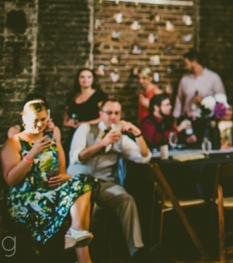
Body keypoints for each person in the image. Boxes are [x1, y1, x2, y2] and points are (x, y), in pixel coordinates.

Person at [1, 100, 98, 263]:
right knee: (82, 204)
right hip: (24, 198)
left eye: (43, 119)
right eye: (35, 120)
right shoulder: (14, 142)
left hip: (51, 193)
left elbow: (62, 175)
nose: (40, 124)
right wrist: (31, 154)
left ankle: (76, 230)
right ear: (24, 119)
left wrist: (66, 178)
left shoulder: (53, 143)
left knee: (85, 181)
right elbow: (10, 180)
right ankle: (82, 255)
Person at [68, 100, 152, 259]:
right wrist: (103, 142)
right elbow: (76, 156)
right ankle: (85, 256)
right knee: (88, 211)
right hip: (78, 184)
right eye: (109, 113)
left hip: (104, 185)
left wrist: (137, 134)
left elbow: (144, 157)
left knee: (126, 199)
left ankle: (137, 252)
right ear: (101, 114)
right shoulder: (85, 129)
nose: (113, 117)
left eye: (117, 113)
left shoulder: (121, 138)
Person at [173, 50, 225, 119]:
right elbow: (179, 100)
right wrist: (175, 119)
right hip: (187, 120)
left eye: (186, 64)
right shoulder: (184, 79)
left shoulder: (214, 78)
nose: (185, 67)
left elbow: (222, 101)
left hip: (207, 120)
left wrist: (205, 101)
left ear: (194, 62)